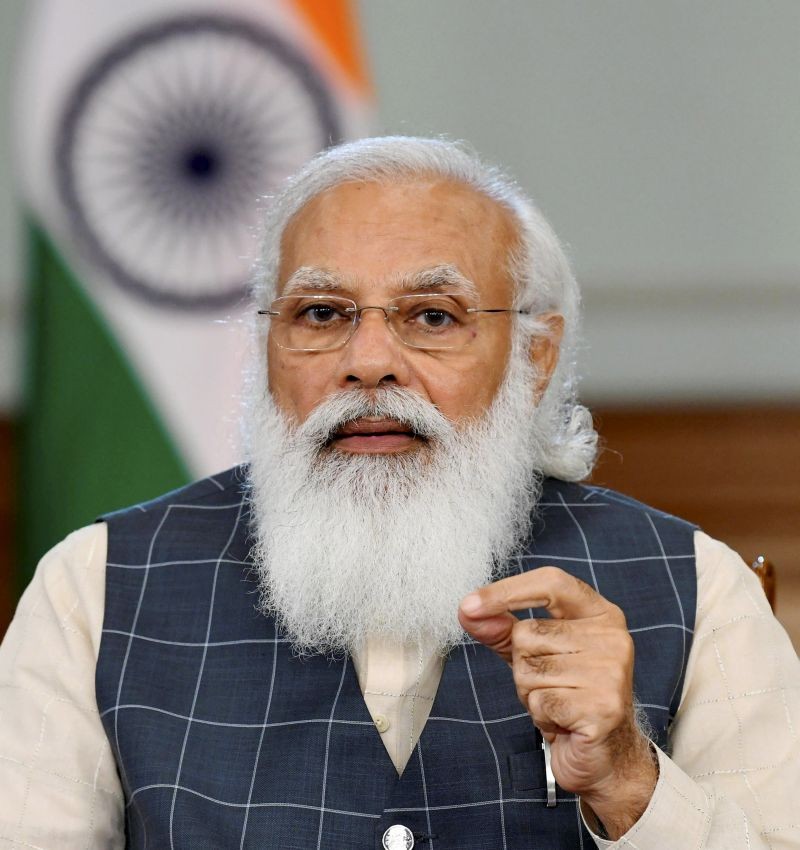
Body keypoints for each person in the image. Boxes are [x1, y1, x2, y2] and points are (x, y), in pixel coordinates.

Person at [1, 136, 798, 849]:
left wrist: (630, 780)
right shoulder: (97, 586)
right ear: (268, 345)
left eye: (432, 316)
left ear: (536, 356)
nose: (370, 360)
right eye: (321, 312)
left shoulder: (696, 584)